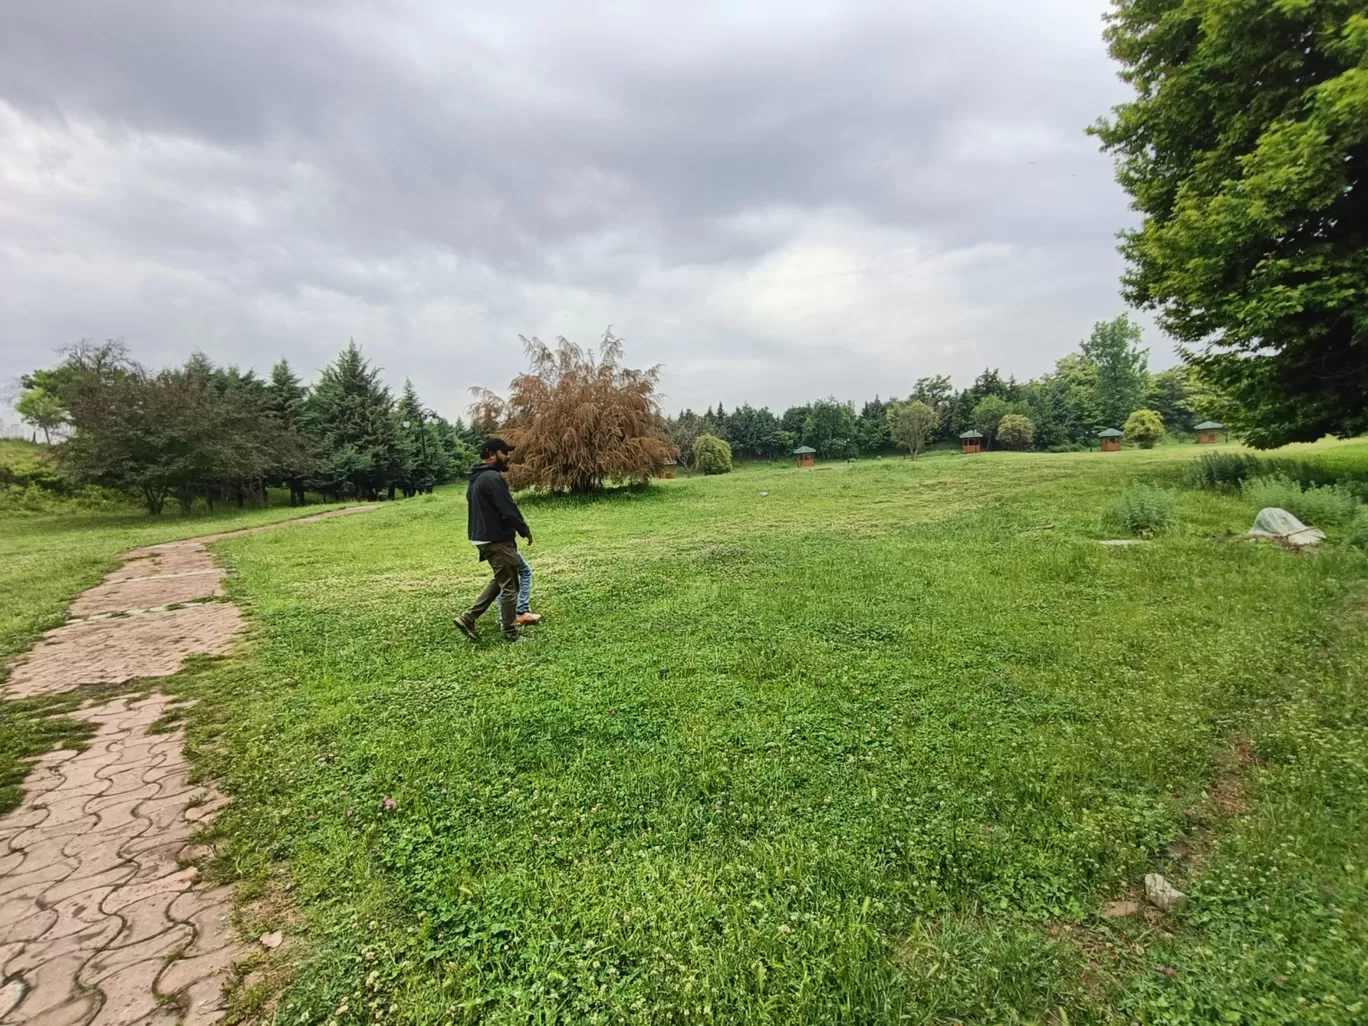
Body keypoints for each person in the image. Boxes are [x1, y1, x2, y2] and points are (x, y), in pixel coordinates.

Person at [454, 437, 533, 643]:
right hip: (496, 538)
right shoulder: (491, 478)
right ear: (492, 454)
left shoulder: (477, 478)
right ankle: (510, 634)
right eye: (504, 453)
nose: (508, 457)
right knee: (510, 586)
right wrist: (524, 530)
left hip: (483, 537)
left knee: (502, 578)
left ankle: (468, 618)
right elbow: (508, 509)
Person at [495, 550, 542, 626]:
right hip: (502, 545)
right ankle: (521, 611)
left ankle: (506, 617)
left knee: (501, 578)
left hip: (487, 545)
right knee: (524, 572)